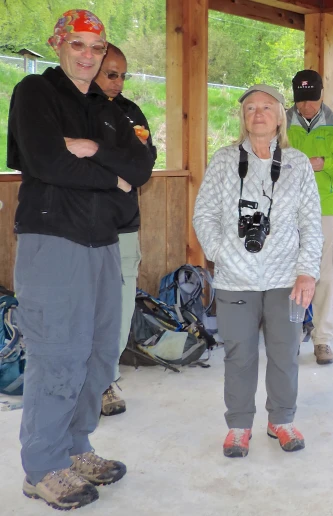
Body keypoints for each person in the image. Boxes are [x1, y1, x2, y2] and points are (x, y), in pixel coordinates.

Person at [7, 9, 154, 510]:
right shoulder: (35, 95)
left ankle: (76, 447)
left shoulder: (107, 108)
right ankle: (42, 466)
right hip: (53, 240)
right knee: (58, 356)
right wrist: (111, 176)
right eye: (78, 47)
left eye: (96, 48)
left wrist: (93, 150)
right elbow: (45, 160)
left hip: (104, 242)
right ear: (59, 46)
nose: (88, 57)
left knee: (97, 353)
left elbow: (141, 167)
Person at [193, 84, 322, 457]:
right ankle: (238, 426)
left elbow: (312, 224)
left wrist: (307, 272)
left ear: (281, 116)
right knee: (239, 354)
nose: (259, 113)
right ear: (243, 117)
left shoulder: (297, 164)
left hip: (287, 280)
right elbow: (204, 215)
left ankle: (280, 420)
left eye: (267, 107)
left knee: (285, 352)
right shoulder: (223, 161)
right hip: (236, 279)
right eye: (251, 108)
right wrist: (223, 253)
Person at [94, 42, 157, 417]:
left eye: (122, 75)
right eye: (110, 74)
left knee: (119, 304)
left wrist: (106, 161)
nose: (117, 82)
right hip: (80, 225)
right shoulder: (74, 109)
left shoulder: (132, 113)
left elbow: (144, 164)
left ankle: (106, 379)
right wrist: (113, 170)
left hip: (124, 223)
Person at [286, 69, 333, 366]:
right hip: (286, 209)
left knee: (326, 274)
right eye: (302, 102)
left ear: (320, 95)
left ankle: (322, 340)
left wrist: (325, 163)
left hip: (324, 209)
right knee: (287, 274)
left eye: (312, 101)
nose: (307, 107)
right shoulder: (281, 123)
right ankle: (288, 338)